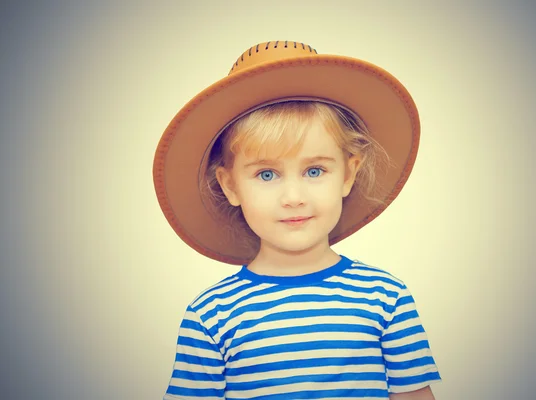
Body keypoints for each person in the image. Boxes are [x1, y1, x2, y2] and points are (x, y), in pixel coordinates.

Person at [154, 40, 442, 400]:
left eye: (315, 170)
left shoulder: (386, 298)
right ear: (230, 186)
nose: (293, 197)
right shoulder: (210, 316)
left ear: (348, 175)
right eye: (267, 175)